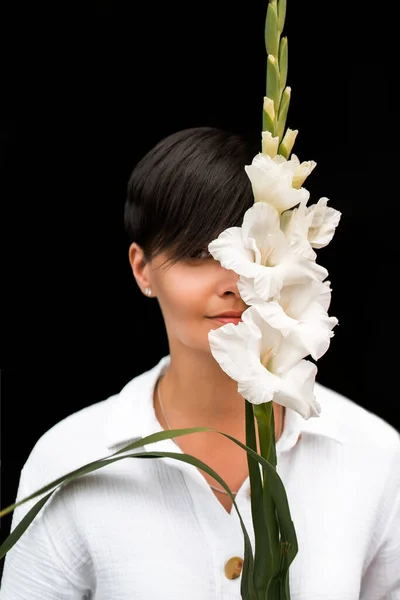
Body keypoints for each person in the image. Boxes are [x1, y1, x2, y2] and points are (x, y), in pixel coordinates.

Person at [0, 127, 399, 599]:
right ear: (142, 268)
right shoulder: (73, 459)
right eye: (196, 254)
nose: (231, 283)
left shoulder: (372, 454)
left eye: (248, 251)